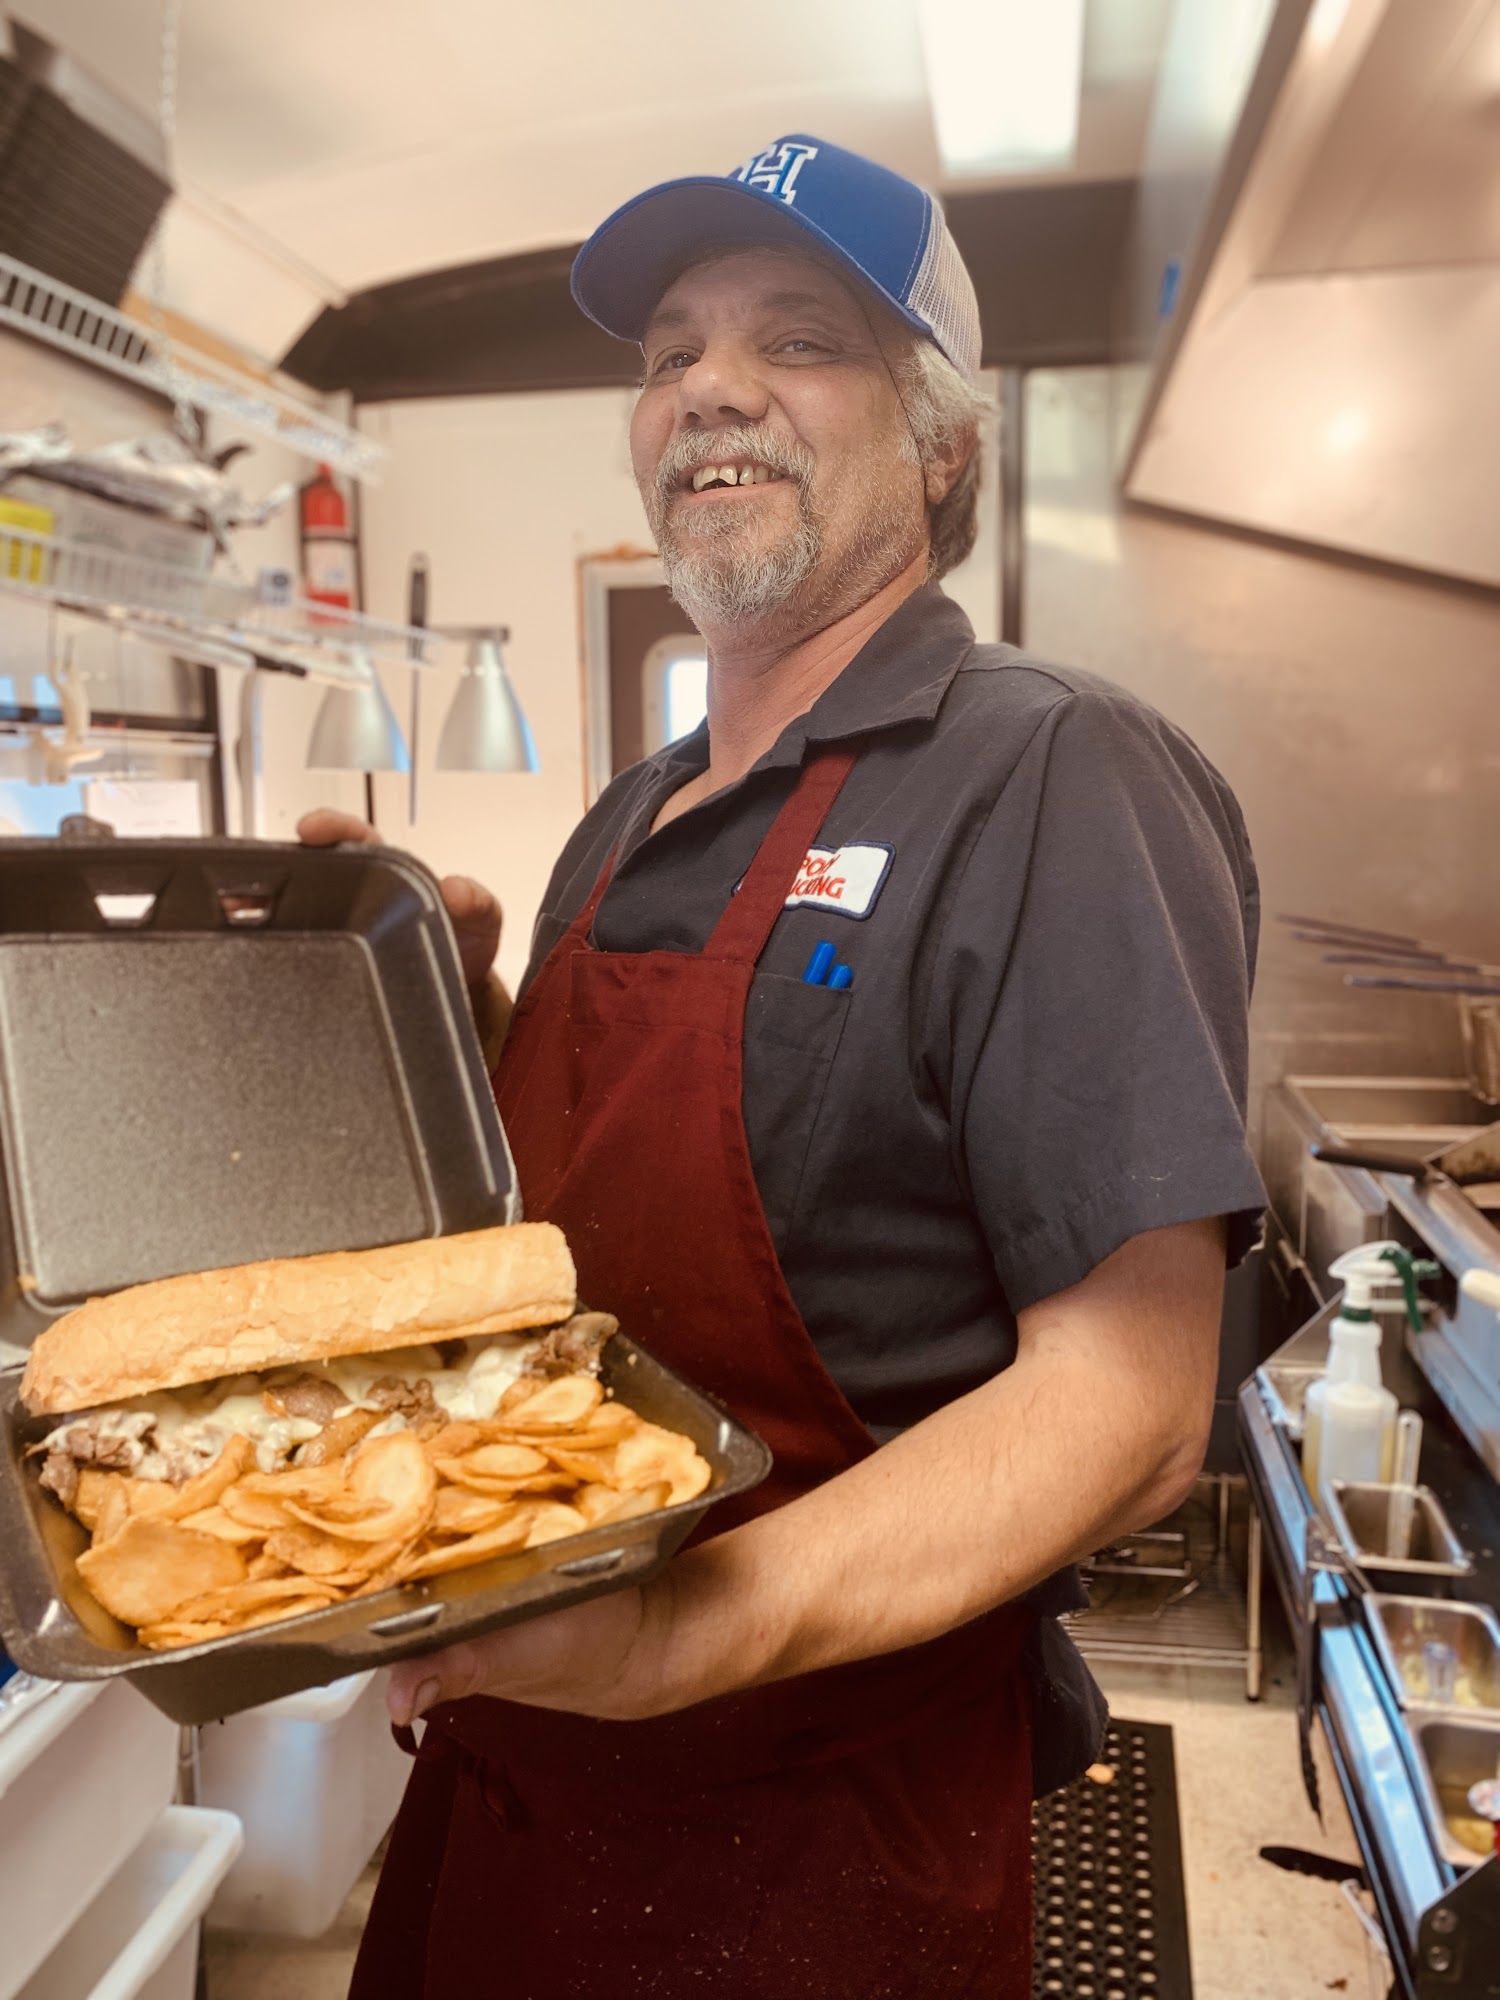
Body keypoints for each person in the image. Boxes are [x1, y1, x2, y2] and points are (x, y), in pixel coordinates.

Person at [303, 135, 1265, 2000]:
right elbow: (613, 1212)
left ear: (943, 444)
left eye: (798, 338)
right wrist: (437, 1020)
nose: (709, 388)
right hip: (516, 1795)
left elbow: (1132, 1405)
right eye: (669, 349)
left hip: (814, 1861)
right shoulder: (635, 812)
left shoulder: (1048, 772)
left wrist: (679, 1631)